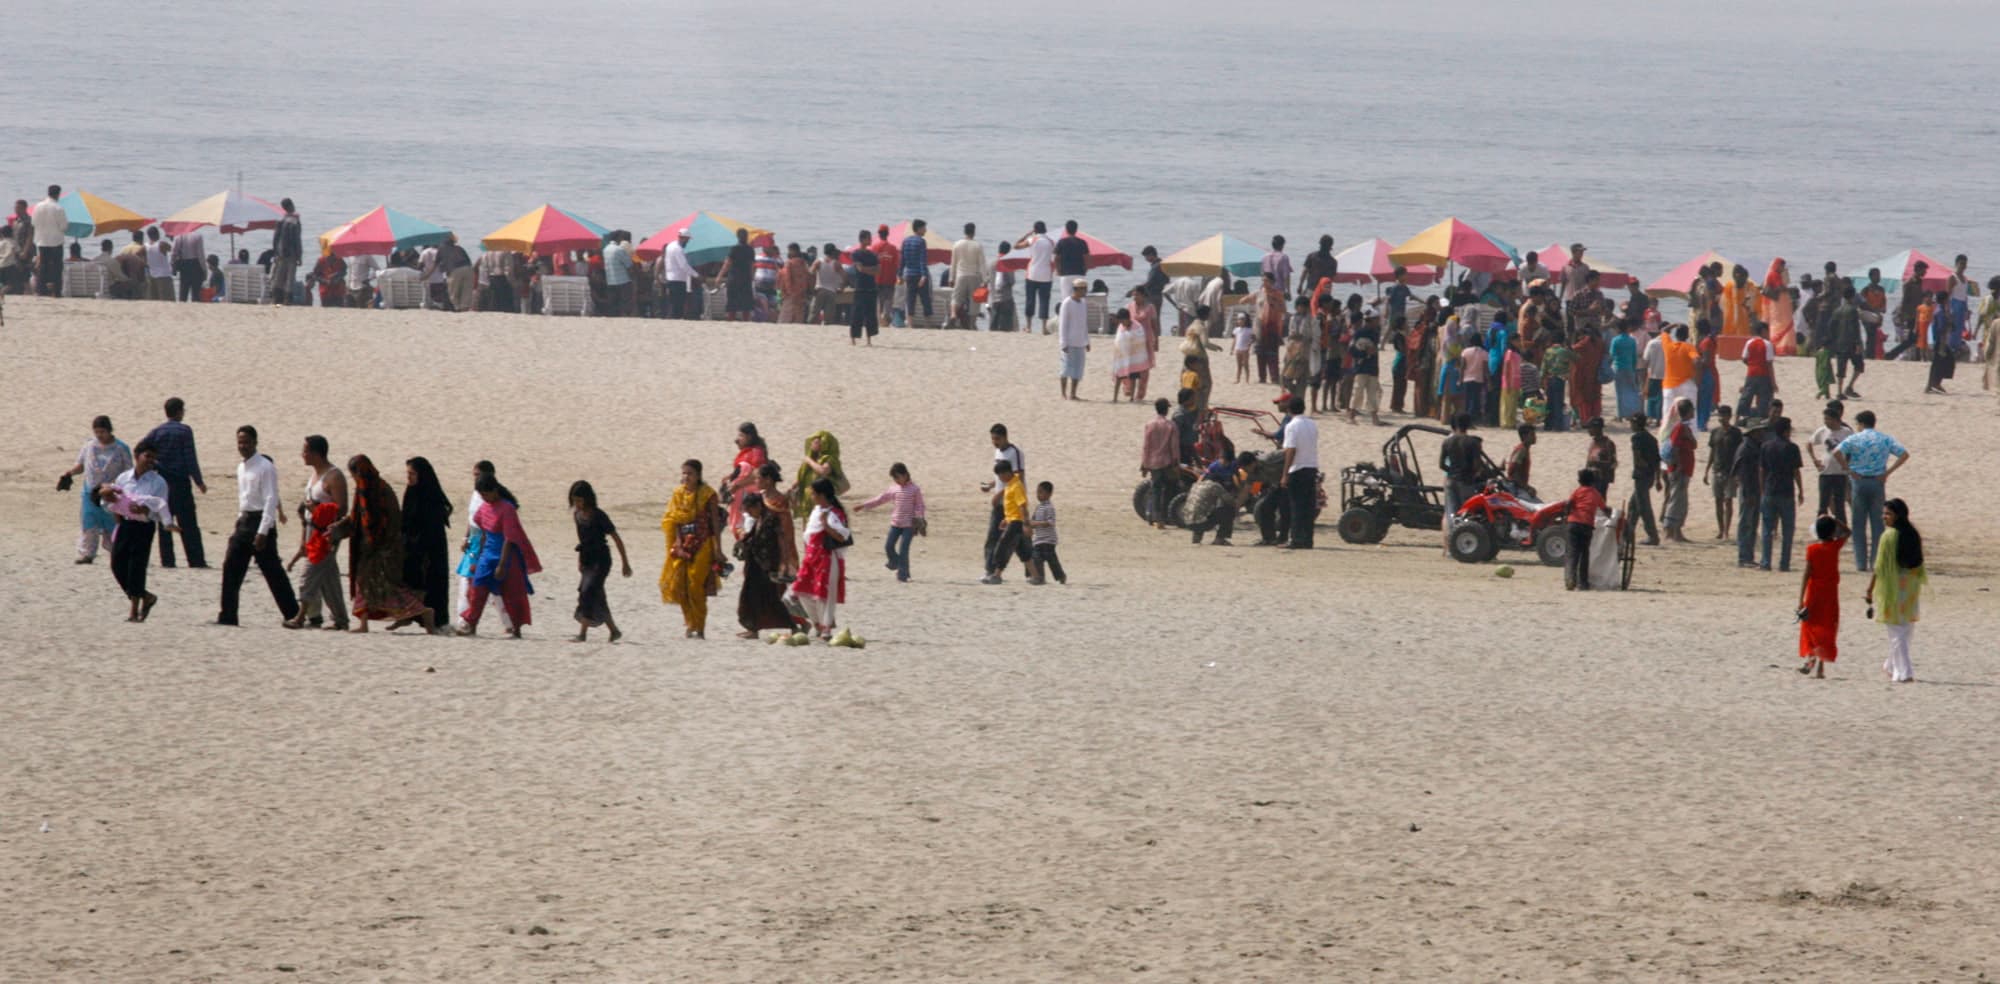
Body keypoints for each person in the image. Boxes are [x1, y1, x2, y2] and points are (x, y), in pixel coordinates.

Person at [336, 455, 436, 633]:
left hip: (384, 549)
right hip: (367, 549)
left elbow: (391, 520)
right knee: (363, 584)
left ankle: (422, 611)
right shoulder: (364, 490)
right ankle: (364, 623)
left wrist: (381, 545)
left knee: (387, 587)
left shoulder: (380, 491)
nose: (355, 480)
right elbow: (356, 518)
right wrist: (338, 528)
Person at [215, 425, 301, 626]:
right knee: (231, 568)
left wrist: (263, 531)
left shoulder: (265, 467)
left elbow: (271, 499)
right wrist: (239, 520)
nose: (242, 446)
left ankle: (293, 613)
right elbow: (243, 497)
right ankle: (227, 616)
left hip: (261, 523)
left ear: (255, 442)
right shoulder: (241, 467)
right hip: (244, 522)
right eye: (239, 442)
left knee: (273, 572)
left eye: (246, 442)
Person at [458, 475, 541, 638]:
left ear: (495, 491)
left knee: (513, 593)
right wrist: (478, 557)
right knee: (477, 589)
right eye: (482, 496)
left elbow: (509, 538)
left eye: (486, 494)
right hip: (487, 554)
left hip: (507, 556)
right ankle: (471, 625)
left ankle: (516, 629)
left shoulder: (507, 508)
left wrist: (502, 565)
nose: (484, 498)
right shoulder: (484, 507)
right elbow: (483, 533)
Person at [1832, 410, 1910, 572]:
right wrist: (1887, 472)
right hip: (1877, 481)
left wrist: (1848, 470)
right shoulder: (1884, 438)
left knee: (1858, 523)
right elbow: (1904, 454)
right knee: (1877, 524)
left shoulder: (1854, 438)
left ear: (1861, 423)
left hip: (1859, 482)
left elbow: (1837, 452)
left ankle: (1860, 563)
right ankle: (1875, 561)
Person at [285, 435, 349, 630]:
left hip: (326, 537)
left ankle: (301, 617)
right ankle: (340, 620)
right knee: (328, 580)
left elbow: (341, 509)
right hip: (311, 534)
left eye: (305, 451)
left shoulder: (334, 476)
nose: (302, 454)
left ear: (316, 453)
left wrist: (317, 510)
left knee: (308, 577)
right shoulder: (314, 476)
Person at [105, 440, 174, 621]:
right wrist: (117, 515)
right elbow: (115, 500)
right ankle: (146, 596)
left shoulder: (159, 482)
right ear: (137, 456)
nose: (151, 460)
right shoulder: (123, 478)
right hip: (125, 525)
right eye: (147, 456)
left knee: (137, 567)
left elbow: (161, 506)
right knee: (117, 564)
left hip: (144, 526)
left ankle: (134, 611)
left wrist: (145, 510)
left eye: (153, 457)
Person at [1863, 498, 1926, 684]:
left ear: (1897, 515)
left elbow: (1880, 566)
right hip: (1911, 587)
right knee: (1905, 630)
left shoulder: (1889, 537)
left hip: (1894, 588)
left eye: (1888, 514)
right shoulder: (1913, 534)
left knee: (1897, 632)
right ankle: (1890, 666)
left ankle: (1905, 673)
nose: (1884, 517)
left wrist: (1870, 589)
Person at [56, 415, 132, 564]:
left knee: (113, 525)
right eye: (97, 432)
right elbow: (81, 465)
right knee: (89, 523)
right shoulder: (89, 446)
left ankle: (118, 553)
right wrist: (69, 473)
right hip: (90, 493)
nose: (99, 435)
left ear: (109, 430)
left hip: (111, 493)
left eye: (102, 431)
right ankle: (87, 554)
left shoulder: (121, 448)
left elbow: (129, 471)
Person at [659, 458, 722, 639]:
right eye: (684, 473)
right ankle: (690, 624)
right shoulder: (678, 494)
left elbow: (715, 523)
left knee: (696, 585)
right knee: (682, 586)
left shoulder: (708, 494)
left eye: (690, 474)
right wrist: (677, 543)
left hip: (703, 544)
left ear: (698, 475)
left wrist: (718, 548)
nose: (686, 477)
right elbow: (675, 521)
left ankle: (700, 628)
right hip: (682, 544)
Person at [143, 398, 208, 569]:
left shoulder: (157, 432)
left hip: (162, 482)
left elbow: (140, 448)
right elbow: (190, 457)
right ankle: (196, 560)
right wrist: (199, 481)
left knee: (165, 521)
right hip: (180, 482)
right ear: (179, 412)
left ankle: (168, 561)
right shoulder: (185, 431)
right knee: (188, 523)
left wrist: (154, 465)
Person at [787, 478, 852, 636]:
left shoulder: (834, 513)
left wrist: (826, 526)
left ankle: (826, 628)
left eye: (814, 494)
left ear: (822, 495)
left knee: (824, 594)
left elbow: (842, 536)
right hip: (811, 558)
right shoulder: (816, 510)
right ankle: (818, 623)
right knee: (800, 591)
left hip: (827, 558)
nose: (811, 496)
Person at [568, 480, 631, 642]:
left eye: (580, 500)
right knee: (597, 595)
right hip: (587, 559)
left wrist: (625, 563)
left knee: (587, 591)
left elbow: (616, 538)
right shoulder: (577, 515)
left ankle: (582, 634)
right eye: (575, 500)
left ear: (588, 498)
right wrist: (580, 561)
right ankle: (614, 630)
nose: (577, 504)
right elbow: (581, 540)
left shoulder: (599, 515)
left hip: (601, 560)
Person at [732, 488, 797, 637]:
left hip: (767, 567)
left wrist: (783, 563)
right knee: (750, 598)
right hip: (756, 566)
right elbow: (752, 536)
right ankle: (753, 629)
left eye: (750, 510)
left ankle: (796, 625)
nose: (749, 513)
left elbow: (774, 541)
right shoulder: (761, 518)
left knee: (773, 599)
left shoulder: (770, 519)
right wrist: (742, 542)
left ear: (758, 506)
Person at [399, 456, 454, 630]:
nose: (409, 478)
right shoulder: (411, 492)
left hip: (431, 550)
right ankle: (408, 615)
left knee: (433, 586)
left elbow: (431, 528)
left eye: (412, 474)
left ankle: (435, 621)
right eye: (408, 474)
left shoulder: (430, 496)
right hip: (412, 548)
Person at [1796, 515, 1851, 679]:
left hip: (1813, 593)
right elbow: (1848, 532)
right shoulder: (1834, 546)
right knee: (1827, 627)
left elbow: (1806, 574)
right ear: (1832, 531)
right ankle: (1820, 667)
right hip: (1830, 593)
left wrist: (1800, 599)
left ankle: (1811, 658)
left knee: (1810, 625)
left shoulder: (1812, 550)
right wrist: (1834, 519)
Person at [855, 462, 926, 583]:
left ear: (905, 475)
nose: (896, 480)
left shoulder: (915, 489)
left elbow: (920, 505)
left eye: (897, 477)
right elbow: (880, 499)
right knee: (888, 547)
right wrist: (863, 505)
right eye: (894, 478)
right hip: (895, 524)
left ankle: (903, 575)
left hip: (909, 525)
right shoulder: (893, 488)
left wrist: (920, 518)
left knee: (904, 549)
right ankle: (895, 563)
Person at [980, 424, 1029, 578]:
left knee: (1020, 540)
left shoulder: (1015, 453)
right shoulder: (997, 452)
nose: (995, 442)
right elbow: (1001, 476)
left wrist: (999, 494)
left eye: (997, 439)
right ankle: (990, 571)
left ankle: (1034, 573)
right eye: (993, 439)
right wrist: (991, 485)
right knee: (993, 537)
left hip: (1013, 503)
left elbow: (1018, 478)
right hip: (1001, 502)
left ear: (1005, 436)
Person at [1757, 417, 1805, 572]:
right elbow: (1796, 472)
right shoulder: (1792, 448)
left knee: (1767, 530)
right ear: (1786, 431)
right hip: (1786, 492)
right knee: (1788, 531)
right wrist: (1801, 491)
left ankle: (1766, 562)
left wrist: (1762, 489)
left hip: (1770, 491)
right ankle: (1784, 563)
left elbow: (1762, 471)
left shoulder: (1766, 446)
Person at [1440, 412, 1486, 554]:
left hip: (1450, 480)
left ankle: (1449, 548)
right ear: (1468, 425)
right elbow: (1477, 465)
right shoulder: (1472, 442)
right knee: (1467, 514)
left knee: (1451, 514)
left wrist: (1452, 470)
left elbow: (1441, 464)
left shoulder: (1447, 442)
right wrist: (1473, 474)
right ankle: (1463, 547)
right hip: (1466, 482)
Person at [1278, 394, 1319, 549]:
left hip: (1298, 468)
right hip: (1311, 466)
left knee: (1296, 506)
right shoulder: (1312, 424)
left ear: (1289, 409)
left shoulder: (1292, 426)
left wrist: (1285, 474)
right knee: (1309, 506)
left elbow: (1290, 450)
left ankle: (1295, 538)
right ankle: (1308, 539)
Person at [1807, 402, 1854, 526]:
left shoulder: (1847, 432)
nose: (1826, 421)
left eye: (1828, 419)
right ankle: (1820, 530)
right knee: (1823, 505)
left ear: (1835, 419)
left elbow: (1853, 450)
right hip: (1825, 473)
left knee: (1839, 505)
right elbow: (1809, 443)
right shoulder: (1822, 431)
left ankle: (1842, 530)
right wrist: (1814, 460)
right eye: (1825, 419)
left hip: (1840, 474)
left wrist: (1847, 463)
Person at [719, 422, 771, 534]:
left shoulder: (756, 452)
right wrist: (730, 477)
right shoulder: (749, 452)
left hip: (750, 497)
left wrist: (737, 484)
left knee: (747, 527)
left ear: (749, 437)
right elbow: (743, 471)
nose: (737, 440)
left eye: (740, 436)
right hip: (741, 495)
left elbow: (757, 473)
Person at [981, 461, 1028, 584]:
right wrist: (1005, 519)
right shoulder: (1010, 484)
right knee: (1023, 549)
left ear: (1007, 473)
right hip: (1011, 520)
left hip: (1016, 522)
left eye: (1000, 476)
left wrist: (1026, 524)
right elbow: (1011, 506)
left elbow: (1022, 506)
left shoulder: (1016, 485)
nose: (1000, 479)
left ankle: (996, 575)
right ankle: (1037, 576)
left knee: (1002, 547)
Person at [1562, 469, 1607, 591]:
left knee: (1572, 553)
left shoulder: (1577, 491)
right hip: (1586, 526)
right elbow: (1604, 508)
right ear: (1593, 481)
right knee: (1584, 554)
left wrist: (1566, 515)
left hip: (1573, 524)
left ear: (1579, 481)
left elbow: (1568, 504)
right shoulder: (1596, 493)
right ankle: (1583, 583)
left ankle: (1570, 579)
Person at [1139, 398, 1181, 529]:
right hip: (1167, 462)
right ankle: (1162, 518)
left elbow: (1146, 446)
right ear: (1166, 409)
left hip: (1152, 462)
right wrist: (1176, 463)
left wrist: (1144, 464)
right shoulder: (1171, 425)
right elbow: (1174, 447)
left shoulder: (1150, 424)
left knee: (1155, 489)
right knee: (1168, 490)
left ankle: (1153, 517)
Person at [1661, 398, 1697, 542]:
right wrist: (1679, 466)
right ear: (1688, 412)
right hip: (1679, 470)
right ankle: (1670, 531)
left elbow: (1694, 445)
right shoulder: (1680, 428)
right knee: (1676, 500)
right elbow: (1675, 447)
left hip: (1684, 470)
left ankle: (1677, 531)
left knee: (1681, 500)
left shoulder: (1684, 428)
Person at [1704, 405, 1742, 540]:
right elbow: (1712, 451)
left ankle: (1726, 531)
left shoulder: (1736, 433)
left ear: (1729, 416)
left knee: (1728, 500)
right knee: (1718, 501)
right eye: (1720, 415)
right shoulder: (1715, 432)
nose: (1722, 417)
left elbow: (1739, 454)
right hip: (1717, 470)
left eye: (1724, 415)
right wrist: (1707, 470)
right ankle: (1720, 530)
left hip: (1731, 472)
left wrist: (1738, 473)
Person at [1627, 413, 1661, 545]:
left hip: (1641, 476)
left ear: (1635, 424)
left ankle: (1653, 536)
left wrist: (1642, 466)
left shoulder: (1636, 438)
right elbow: (1658, 460)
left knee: (1643, 507)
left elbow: (1637, 457)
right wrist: (1657, 478)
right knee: (1633, 505)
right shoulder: (1651, 438)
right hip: (1650, 476)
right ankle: (1628, 534)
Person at [1056, 278, 1092, 400]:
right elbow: (1063, 324)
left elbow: (1084, 324)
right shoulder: (1067, 303)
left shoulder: (1083, 303)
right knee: (1066, 368)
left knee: (1078, 369)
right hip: (1069, 342)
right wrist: (1063, 343)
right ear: (1077, 290)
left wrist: (1087, 341)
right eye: (1083, 289)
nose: (1085, 292)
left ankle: (1073, 393)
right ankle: (1063, 393)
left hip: (1080, 342)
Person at [948, 223, 986, 330]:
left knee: (956, 298)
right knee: (975, 301)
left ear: (964, 232)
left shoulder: (957, 244)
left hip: (961, 275)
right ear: (974, 232)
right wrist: (985, 279)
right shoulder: (977, 245)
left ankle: (953, 315)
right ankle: (972, 324)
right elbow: (982, 264)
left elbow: (953, 263)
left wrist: (951, 278)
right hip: (974, 275)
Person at [1736, 320, 1777, 419]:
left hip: (1751, 374)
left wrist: (1752, 365)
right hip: (1764, 375)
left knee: (1746, 397)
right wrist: (1773, 382)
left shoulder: (1749, 342)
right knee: (1764, 399)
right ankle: (1761, 418)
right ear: (1763, 331)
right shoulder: (1767, 344)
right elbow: (1769, 364)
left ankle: (1738, 417)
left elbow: (1744, 359)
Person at [31, 186, 66, 297]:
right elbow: (63, 226)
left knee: (43, 265)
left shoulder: (38, 206)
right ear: (58, 194)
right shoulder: (58, 208)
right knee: (57, 267)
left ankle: (41, 290)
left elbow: (34, 223)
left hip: (41, 240)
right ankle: (56, 291)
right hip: (56, 241)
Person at [1027, 481, 1065, 585]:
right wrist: (1029, 525)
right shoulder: (1039, 507)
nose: (1038, 495)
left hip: (1048, 540)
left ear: (1049, 494)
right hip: (1038, 540)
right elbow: (1032, 520)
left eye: (1041, 492)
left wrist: (1037, 523)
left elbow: (1050, 523)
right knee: (1037, 559)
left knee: (1052, 561)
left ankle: (1061, 576)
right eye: (1037, 492)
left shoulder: (1049, 507)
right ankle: (1040, 578)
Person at [1348, 315, 1383, 425]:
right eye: (1376, 319)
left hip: (1372, 366)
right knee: (1358, 391)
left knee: (1372, 392)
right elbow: (1352, 350)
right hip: (1361, 366)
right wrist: (1365, 353)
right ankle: (1351, 415)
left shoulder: (1375, 333)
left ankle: (1374, 417)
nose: (1378, 322)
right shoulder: (1359, 333)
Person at [267, 198, 303, 305]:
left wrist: (276, 252)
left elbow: (275, 239)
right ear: (291, 205)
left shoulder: (280, 220)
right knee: (290, 278)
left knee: (279, 276)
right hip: (291, 254)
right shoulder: (295, 221)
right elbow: (297, 240)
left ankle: (275, 299)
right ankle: (287, 300)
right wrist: (299, 255)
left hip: (280, 253)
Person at [715, 228, 756, 322]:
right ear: (747, 237)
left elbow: (727, 264)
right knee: (746, 304)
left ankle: (731, 320)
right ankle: (746, 321)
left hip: (734, 278)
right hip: (746, 279)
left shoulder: (734, 249)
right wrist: (752, 278)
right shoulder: (750, 250)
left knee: (732, 303)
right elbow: (752, 266)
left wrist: (719, 277)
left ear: (737, 237)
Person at [847, 230, 880, 345]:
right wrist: (870, 269)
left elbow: (877, 271)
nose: (871, 240)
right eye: (869, 238)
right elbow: (860, 269)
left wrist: (866, 269)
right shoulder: (856, 254)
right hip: (860, 287)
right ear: (862, 239)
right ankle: (853, 338)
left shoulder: (873, 255)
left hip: (871, 287)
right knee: (857, 313)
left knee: (871, 315)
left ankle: (869, 339)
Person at [899, 219, 934, 323]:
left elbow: (902, 260)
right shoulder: (921, 241)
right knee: (925, 300)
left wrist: (899, 274)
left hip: (909, 274)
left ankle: (910, 323)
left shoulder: (905, 241)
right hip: (919, 274)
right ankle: (928, 323)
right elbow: (922, 260)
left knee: (910, 299)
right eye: (924, 228)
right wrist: (924, 275)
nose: (925, 230)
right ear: (918, 229)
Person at [659, 228, 696, 319]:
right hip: (678, 280)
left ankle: (671, 318)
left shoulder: (670, 246)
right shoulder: (678, 249)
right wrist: (697, 275)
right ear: (683, 238)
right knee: (678, 304)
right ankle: (675, 319)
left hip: (670, 278)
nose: (687, 243)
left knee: (672, 303)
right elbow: (684, 265)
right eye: (687, 240)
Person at [1609, 320, 1641, 421]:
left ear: (1618, 329)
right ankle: (1631, 414)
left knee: (1620, 392)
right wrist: (1634, 368)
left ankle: (1620, 415)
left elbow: (1612, 354)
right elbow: (1634, 356)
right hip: (1629, 368)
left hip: (1618, 368)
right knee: (1631, 391)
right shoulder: (1632, 340)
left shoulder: (1615, 340)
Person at [808, 240, 846, 326]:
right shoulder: (836, 264)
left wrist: (811, 288)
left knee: (813, 315)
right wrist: (841, 288)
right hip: (831, 292)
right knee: (828, 318)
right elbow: (845, 277)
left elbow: (810, 274)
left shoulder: (818, 261)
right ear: (833, 252)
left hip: (819, 290)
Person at [988, 241, 1017, 332]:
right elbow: (1011, 281)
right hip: (1006, 298)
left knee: (993, 325)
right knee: (1006, 327)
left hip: (993, 298)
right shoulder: (1008, 263)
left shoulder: (991, 263)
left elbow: (986, 278)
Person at [1504, 423, 1536, 497]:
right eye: (1532, 434)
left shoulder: (1524, 449)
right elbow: (1514, 472)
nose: (1535, 437)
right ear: (1524, 436)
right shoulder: (1521, 450)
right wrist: (1527, 488)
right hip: (1516, 488)